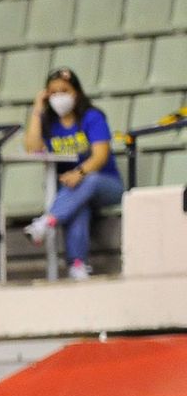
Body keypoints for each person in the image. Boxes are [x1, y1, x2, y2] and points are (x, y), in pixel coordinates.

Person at [22, 67, 123, 281]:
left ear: (76, 92)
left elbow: (100, 155)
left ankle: (47, 221)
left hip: (106, 185)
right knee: (79, 206)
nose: (59, 96)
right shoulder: (49, 123)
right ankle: (78, 266)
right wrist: (37, 108)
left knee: (89, 180)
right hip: (73, 191)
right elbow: (32, 148)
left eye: (64, 91)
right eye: (53, 92)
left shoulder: (92, 117)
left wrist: (80, 172)